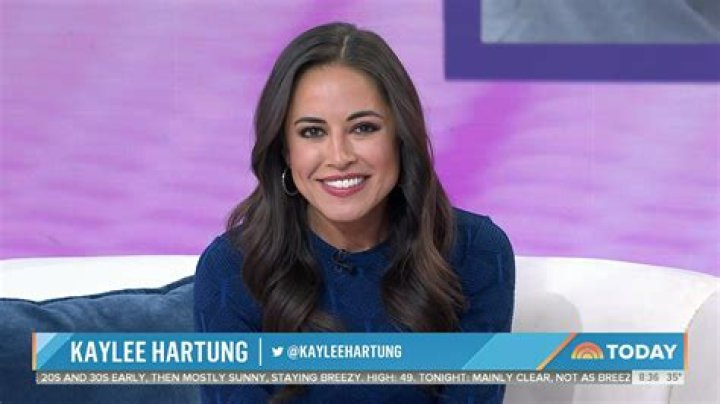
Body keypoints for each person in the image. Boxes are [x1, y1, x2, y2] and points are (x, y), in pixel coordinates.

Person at [193, 22, 515, 403]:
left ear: (400, 138)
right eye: (312, 132)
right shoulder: (230, 269)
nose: (340, 156)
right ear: (285, 150)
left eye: (363, 128)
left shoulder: (475, 252)